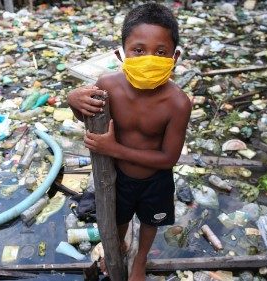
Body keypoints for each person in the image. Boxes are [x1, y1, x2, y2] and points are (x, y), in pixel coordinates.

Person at [67, 3, 191, 280]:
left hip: (155, 180)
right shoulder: (108, 85)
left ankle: (140, 258)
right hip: (118, 177)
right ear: (120, 53)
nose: (149, 58)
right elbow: (87, 115)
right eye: (138, 50)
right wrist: (73, 100)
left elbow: (168, 159)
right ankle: (117, 245)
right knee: (117, 218)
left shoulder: (178, 103)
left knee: (150, 223)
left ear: (175, 56)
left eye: (161, 52)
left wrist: (114, 149)